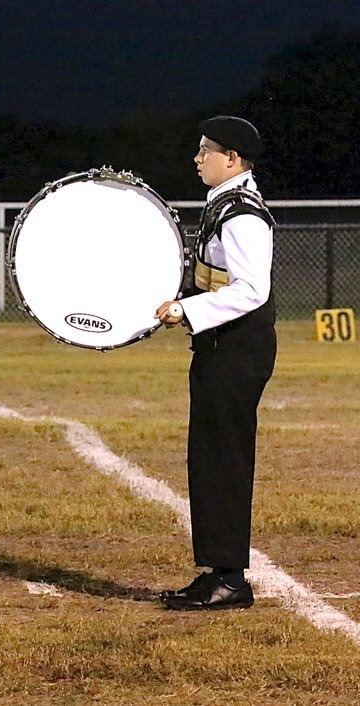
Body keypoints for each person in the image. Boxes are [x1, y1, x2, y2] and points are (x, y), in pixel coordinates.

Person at [154, 116, 275, 611]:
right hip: (220, 349)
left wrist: (189, 310)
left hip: (236, 352)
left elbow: (252, 289)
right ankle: (218, 572)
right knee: (209, 460)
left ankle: (231, 579)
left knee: (222, 462)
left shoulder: (242, 214)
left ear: (233, 159)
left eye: (207, 150)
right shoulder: (223, 204)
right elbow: (214, 278)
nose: (198, 158)